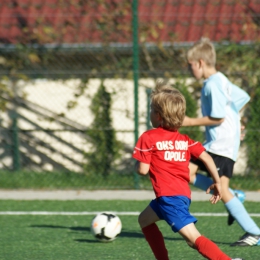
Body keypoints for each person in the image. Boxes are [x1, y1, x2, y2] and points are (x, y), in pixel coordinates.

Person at [132, 84, 242, 260]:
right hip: (179, 195)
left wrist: (137, 164)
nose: (150, 113)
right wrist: (217, 182)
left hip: (169, 198)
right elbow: (206, 158)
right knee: (144, 220)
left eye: (152, 109)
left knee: (193, 239)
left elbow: (143, 170)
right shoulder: (184, 140)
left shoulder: (148, 137)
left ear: (159, 116)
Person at [183, 37, 260, 246]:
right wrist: (236, 122)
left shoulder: (211, 85)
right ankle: (235, 199)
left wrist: (189, 121)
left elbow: (218, 117)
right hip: (225, 142)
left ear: (200, 62)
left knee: (185, 171)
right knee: (189, 172)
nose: (189, 70)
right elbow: (242, 97)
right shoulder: (221, 79)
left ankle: (254, 232)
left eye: (190, 65)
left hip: (220, 144)